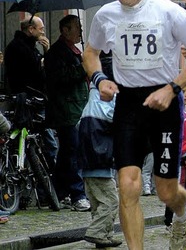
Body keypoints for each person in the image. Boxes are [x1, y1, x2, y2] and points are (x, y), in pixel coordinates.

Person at [82, 0, 186, 250]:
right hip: (128, 104)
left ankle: (182, 210)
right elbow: (91, 53)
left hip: (165, 103)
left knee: (167, 192)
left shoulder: (169, 12)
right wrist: (100, 79)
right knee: (128, 187)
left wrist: (172, 89)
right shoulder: (106, 15)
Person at [4, 15, 58, 185]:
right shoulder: (19, 47)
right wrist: (43, 59)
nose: (43, 32)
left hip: (31, 98)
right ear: (31, 29)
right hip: (28, 100)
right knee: (49, 143)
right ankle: (50, 186)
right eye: (41, 29)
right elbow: (36, 73)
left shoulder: (28, 46)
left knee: (42, 142)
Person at [44, 14, 91, 212]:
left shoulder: (73, 50)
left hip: (76, 108)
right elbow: (61, 78)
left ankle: (59, 192)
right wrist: (83, 68)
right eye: (76, 27)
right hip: (67, 110)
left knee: (66, 154)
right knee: (72, 153)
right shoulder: (56, 52)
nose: (80, 30)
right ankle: (77, 194)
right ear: (65, 30)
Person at [78, 51, 122, 247]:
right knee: (111, 201)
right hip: (100, 159)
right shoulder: (109, 97)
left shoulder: (93, 94)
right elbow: (117, 121)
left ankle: (104, 236)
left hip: (88, 161)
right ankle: (97, 232)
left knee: (98, 202)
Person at [165, 84, 186, 229]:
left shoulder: (185, 114)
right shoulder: (178, 114)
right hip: (183, 160)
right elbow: (181, 137)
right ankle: (172, 220)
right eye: (183, 92)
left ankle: (184, 219)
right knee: (180, 189)